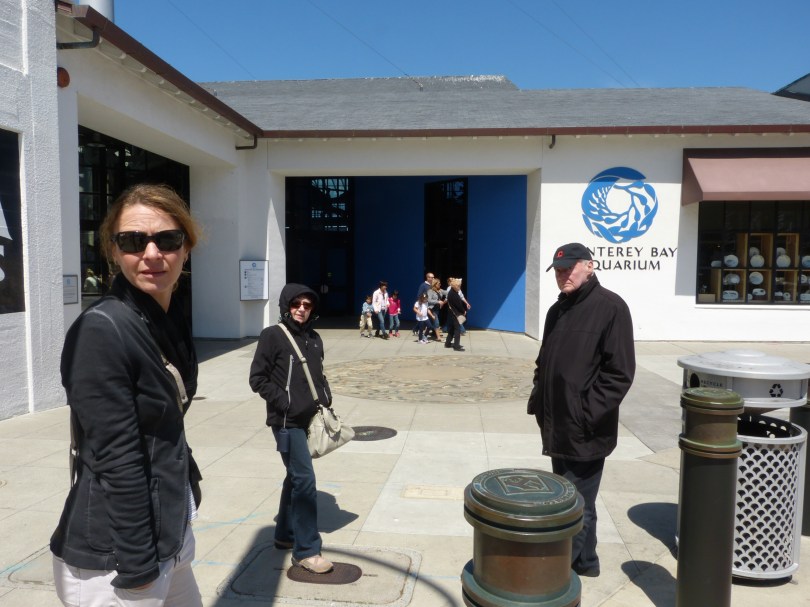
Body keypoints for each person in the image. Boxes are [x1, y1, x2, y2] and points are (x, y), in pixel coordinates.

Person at [51, 184, 204, 606]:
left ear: (186, 249)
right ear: (114, 252)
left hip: (169, 537)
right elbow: (117, 457)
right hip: (117, 559)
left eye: (168, 239)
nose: (152, 254)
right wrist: (138, 570)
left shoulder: (163, 319)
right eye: (134, 241)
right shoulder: (103, 329)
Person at [526, 242, 635, 578]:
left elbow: (619, 373)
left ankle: (558, 575)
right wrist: (538, 395)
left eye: (568, 268)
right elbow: (545, 361)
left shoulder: (611, 307)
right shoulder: (557, 310)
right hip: (557, 424)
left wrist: (587, 413)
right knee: (576, 500)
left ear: (589, 265)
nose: (562, 275)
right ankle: (587, 563)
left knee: (573, 506)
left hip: (587, 428)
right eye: (558, 270)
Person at [249, 284, 334, 575]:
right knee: (305, 480)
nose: (301, 308)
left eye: (307, 305)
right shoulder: (272, 336)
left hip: (311, 420)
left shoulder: (314, 338)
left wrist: (325, 397)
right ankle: (307, 550)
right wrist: (284, 402)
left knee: (295, 476)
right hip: (286, 423)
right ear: (286, 306)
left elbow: (317, 374)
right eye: (296, 304)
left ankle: (284, 534)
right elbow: (257, 378)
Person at [444, 277, 466, 351]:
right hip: (455, 313)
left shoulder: (452, 292)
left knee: (452, 329)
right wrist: (463, 311)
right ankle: (456, 346)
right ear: (455, 286)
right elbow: (458, 305)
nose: (460, 287)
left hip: (452, 313)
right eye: (459, 286)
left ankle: (447, 343)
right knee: (457, 330)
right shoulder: (453, 294)